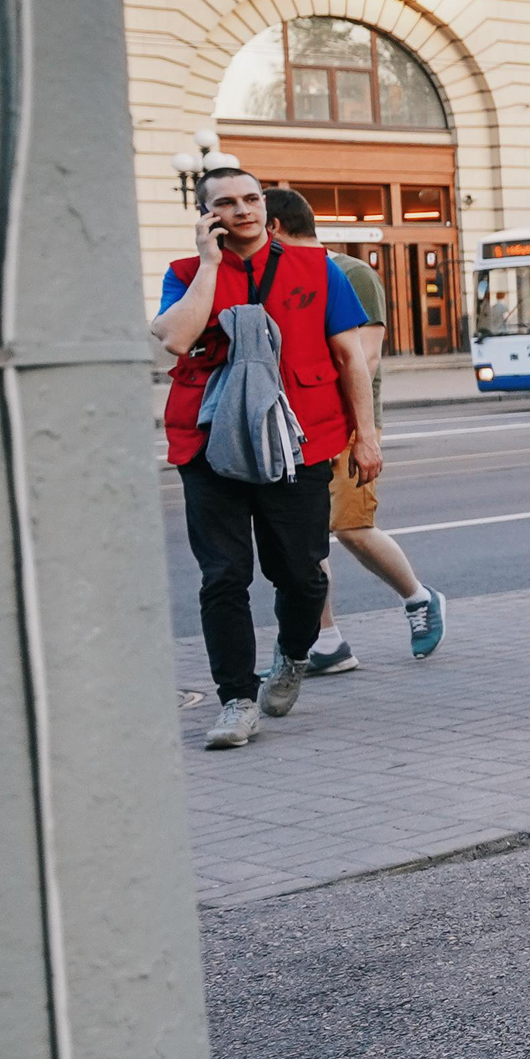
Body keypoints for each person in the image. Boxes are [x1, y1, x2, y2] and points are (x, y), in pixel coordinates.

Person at [151, 164, 383, 749]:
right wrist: (209, 265)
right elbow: (176, 338)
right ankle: (236, 699)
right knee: (223, 576)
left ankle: (293, 655)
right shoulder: (185, 274)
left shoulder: (318, 269)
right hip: (209, 443)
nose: (243, 210)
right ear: (207, 216)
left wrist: (366, 435)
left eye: (251, 198)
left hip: (298, 441)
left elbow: (350, 358)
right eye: (226, 203)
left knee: (302, 575)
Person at [264, 189, 445, 670]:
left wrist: (360, 432)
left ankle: (419, 597)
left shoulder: (351, 273)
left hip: (345, 423)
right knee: (307, 537)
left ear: (273, 227)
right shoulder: (268, 276)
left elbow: (365, 356)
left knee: (351, 528)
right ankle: (326, 643)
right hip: (294, 426)